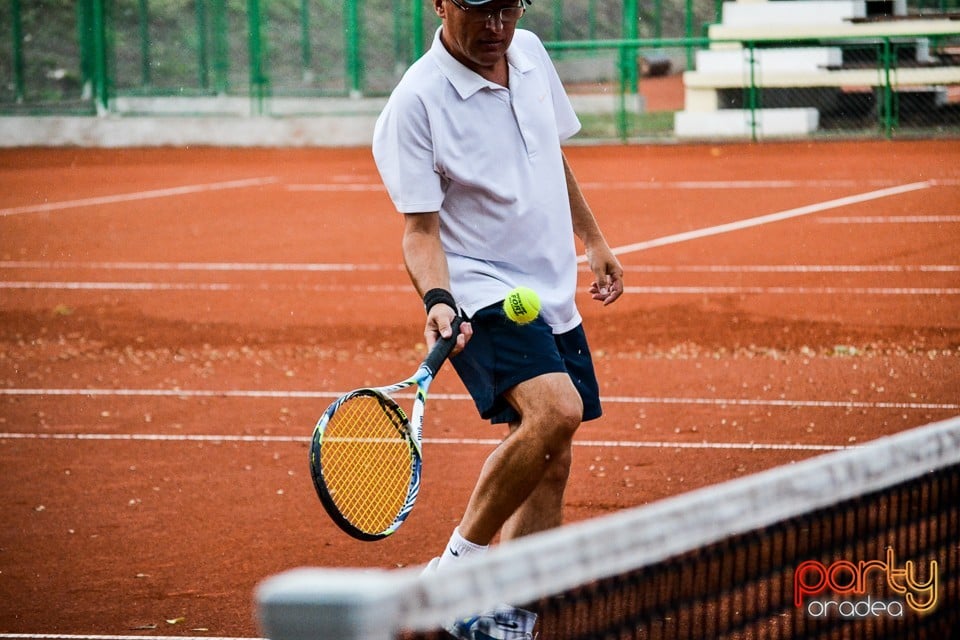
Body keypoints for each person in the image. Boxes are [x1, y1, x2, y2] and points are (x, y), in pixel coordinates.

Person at [372, 0, 623, 636]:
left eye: (509, 8)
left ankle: (509, 618)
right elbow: (420, 232)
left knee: (551, 454)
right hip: (479, 288)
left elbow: (551, 156)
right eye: (481, 10)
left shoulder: (532, 55)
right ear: (440, 3)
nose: (497, 27)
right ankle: (453, 575)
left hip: (548, 287)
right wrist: (437, 298)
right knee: (555, 411)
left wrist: (592, 240)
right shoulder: (417, 102)